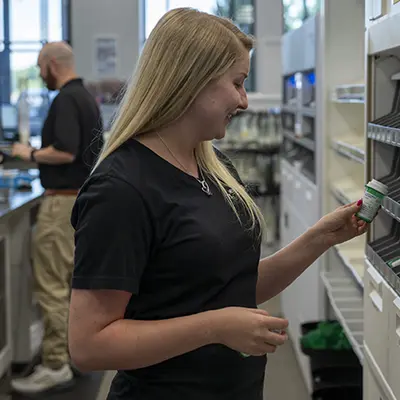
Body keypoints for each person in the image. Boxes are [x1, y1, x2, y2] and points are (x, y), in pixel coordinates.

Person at [68, 8, 367, 400]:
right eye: (238, 83)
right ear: (192, 80)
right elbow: (89, 345)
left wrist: (319, 239)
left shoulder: (214, 167)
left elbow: (226, 288)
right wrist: (214, 327)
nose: (244, 101)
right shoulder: (121, 189)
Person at [11, 41, 103, 395]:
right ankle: (71, 355)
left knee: (51, 286)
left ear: (52, 64)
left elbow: (64, 151)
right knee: (68, 285)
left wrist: (28, 152)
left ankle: (54, 365)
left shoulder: (65, 99)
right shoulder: (87, 98)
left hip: (60, 205)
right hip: (79, 202)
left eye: (39, 66)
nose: (38, 73)